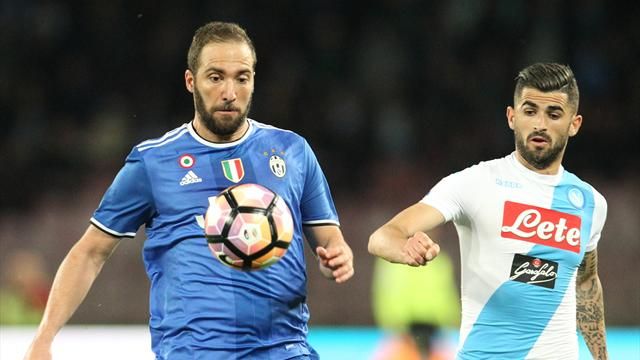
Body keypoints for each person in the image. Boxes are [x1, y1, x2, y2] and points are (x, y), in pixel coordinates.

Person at [25, 21, 354, 360]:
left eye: (242, 77)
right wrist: (44, 337)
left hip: (284, 351)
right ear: (190, 81)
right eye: (215, 77)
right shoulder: (153, 162)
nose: (229, 92)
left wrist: (336, 259)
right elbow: (90, 252)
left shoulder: (291, 151)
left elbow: (329, 241)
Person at [368, 63, 608, 359]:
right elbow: (382, 237)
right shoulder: (473, 184)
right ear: (512, 116)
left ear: (575, 123)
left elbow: (586, 284)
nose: (540, 124)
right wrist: (405, 247)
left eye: (554, 114)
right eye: (529, 111)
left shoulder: (590, 203)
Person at [371, 228, 460, 360]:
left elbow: (447, 294)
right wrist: (393, 323)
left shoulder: (441, 261)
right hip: (404, 331)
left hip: (435, 330)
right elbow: (384, 295)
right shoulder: (392, 261)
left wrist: (451, 320)